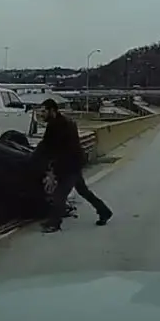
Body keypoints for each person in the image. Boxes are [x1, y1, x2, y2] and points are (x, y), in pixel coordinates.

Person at [33, 99, 113, 233]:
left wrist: (39, 160)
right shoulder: (64, 122)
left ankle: (54, 223)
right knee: (83, 191)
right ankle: (104, 211)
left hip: (69, 164)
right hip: (74, 162)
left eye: (44, 111)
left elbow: (49, 147)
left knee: (60, 194)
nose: (42, 114)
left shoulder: (57, 126)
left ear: (52, 111)